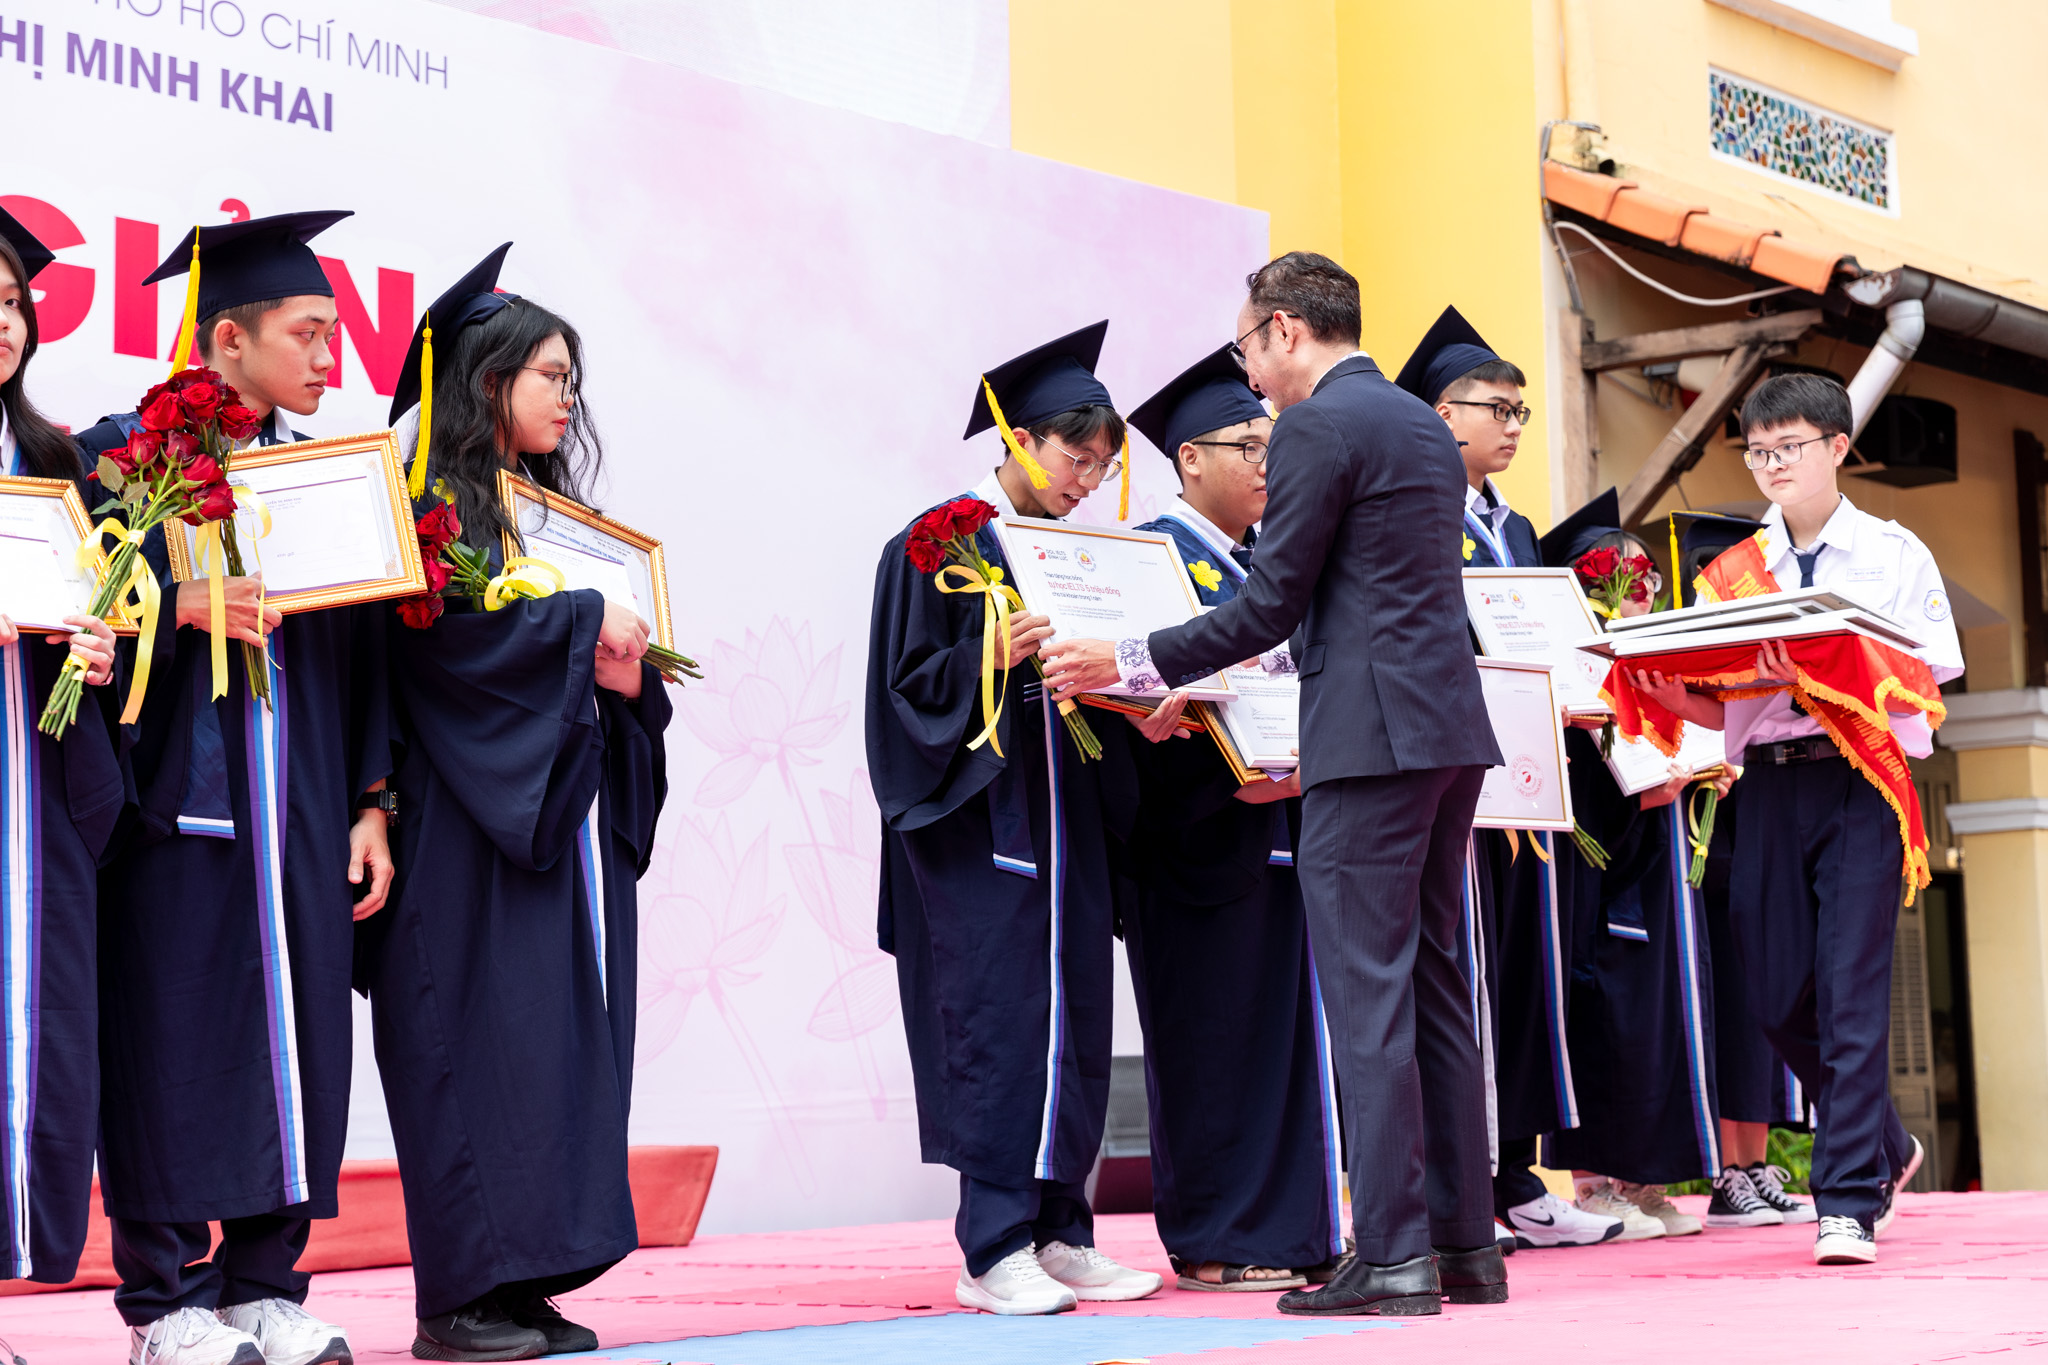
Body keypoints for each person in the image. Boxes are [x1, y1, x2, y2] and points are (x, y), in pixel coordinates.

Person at [1041, 253, 1506, 1316]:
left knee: (1369, 995)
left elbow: (1270, 606)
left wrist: (1130, 658)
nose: (1252, 378)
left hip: (1367, 740)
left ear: (1287, 331)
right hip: (1442, 737)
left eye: (1250, 347)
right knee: (1434, 986)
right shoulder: (1419, 430)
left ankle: (1389, 1257)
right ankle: (1460, 1249)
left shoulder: (1318, 427)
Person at [77, 211, 394, 1365]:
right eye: (308, 333)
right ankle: (163, 1304)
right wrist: (178, 600)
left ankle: (264, 1280)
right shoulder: (124, 455)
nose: (329, 359)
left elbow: (366, 663)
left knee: (300, 1040)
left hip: (300, 819)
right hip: (179, 812)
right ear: (225, 340)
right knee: (167, 1037)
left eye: (335, 334)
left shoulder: (328, 481)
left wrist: (372, 802)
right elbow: (75, 618)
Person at [361, 245, 670, 1360]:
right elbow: (436, 651)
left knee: (546, 1052)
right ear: (485, 380)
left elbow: (604, 659)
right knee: (467, 1046)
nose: (566, 394)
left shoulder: (547, 513)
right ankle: (456, 1300)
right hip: (459, 826)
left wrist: (626, 665)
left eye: (570, 376)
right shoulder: (423, 512)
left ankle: (525, 1278)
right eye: (548, 373)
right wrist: (584, 634)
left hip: (555, 817)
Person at [865, 322, 1161, 1316]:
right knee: (998, 1024)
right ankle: (991, 1245)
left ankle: (1060, 1230)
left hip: (1065, 824)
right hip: (980, 834)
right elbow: (903, 692)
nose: (1087, 479)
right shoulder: (939, 542)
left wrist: (1140, 698)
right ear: (1021, 437)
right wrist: (982, 661)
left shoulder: (1075, 552)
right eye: (1077, 457)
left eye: (1103, 464)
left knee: (1073, 1016)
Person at [1630, 373, 1958, 1264]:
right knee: (1775, 993)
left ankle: (1846, 1198)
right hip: (1766, 786)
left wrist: (1831, 671)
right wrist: (1670, 689)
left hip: (1860, 782)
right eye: (1760, 450)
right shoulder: (1734, 571)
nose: (1773, 464)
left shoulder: (1892, 554)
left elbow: (1932, 683)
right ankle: (1887, 1145)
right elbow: (1722, 705)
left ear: (1838, 448)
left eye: (1791, 447)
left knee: (1851, 989)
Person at [1117, 345, 1344, 1293]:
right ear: (1188, 460)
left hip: (1284, 826)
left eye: (1272, 443)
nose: (1266, 462)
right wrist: (1220, 782)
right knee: (1213, 1037)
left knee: (1288, 1042)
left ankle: (1293, 1229)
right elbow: (1130, 707)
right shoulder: (1147, 558)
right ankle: (1215, 1232)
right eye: (1245, 444)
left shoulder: (1264, 564)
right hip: (1196, 837)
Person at [1396, 307, 1620, 1253]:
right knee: (1465, 979)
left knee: (1527, 975)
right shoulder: (1413, 508)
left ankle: (1518, 1177)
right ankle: (1463, 1178)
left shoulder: (1514, 525)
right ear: (1444, 415)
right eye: (1502, 408)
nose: (1518, 424)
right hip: (1450, 773)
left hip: (1525, 774)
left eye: (1525, 409)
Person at [1533, 504, 1721, 1241]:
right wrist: (1643, 792)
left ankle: (1644, 1182)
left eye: (1645, 571)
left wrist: (1708, 773)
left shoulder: (1653, 662)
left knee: (1660, 1023)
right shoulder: (1574, 666)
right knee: (1605, 1017)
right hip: (1604, 866)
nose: (1637, 585)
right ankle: (1595, 1180)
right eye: (1617, 573)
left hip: (1665, 871)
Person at [0, 207, 124, 1288]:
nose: (4, 322)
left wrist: (97, 650)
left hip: (32, 803)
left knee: (32, 1041)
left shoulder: (55, 462)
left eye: (11, 302)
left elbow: (98, 621)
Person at [1668, 510, 1815, 1230]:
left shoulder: (1774, 640)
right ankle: (1728, 1169)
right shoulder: (1692, 644)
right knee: (1729, 1005)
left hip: (1764, 825)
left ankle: (1753, 1164)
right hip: (1707, 854)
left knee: (1763, 1003)